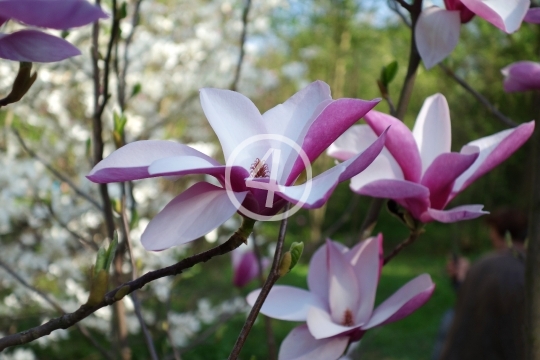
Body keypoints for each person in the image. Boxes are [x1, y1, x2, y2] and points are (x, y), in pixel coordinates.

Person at [438, 207, 527, 360]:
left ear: (498, 232)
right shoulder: (529, 268)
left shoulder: (485, 266)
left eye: (491, 230)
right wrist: (462, 279)